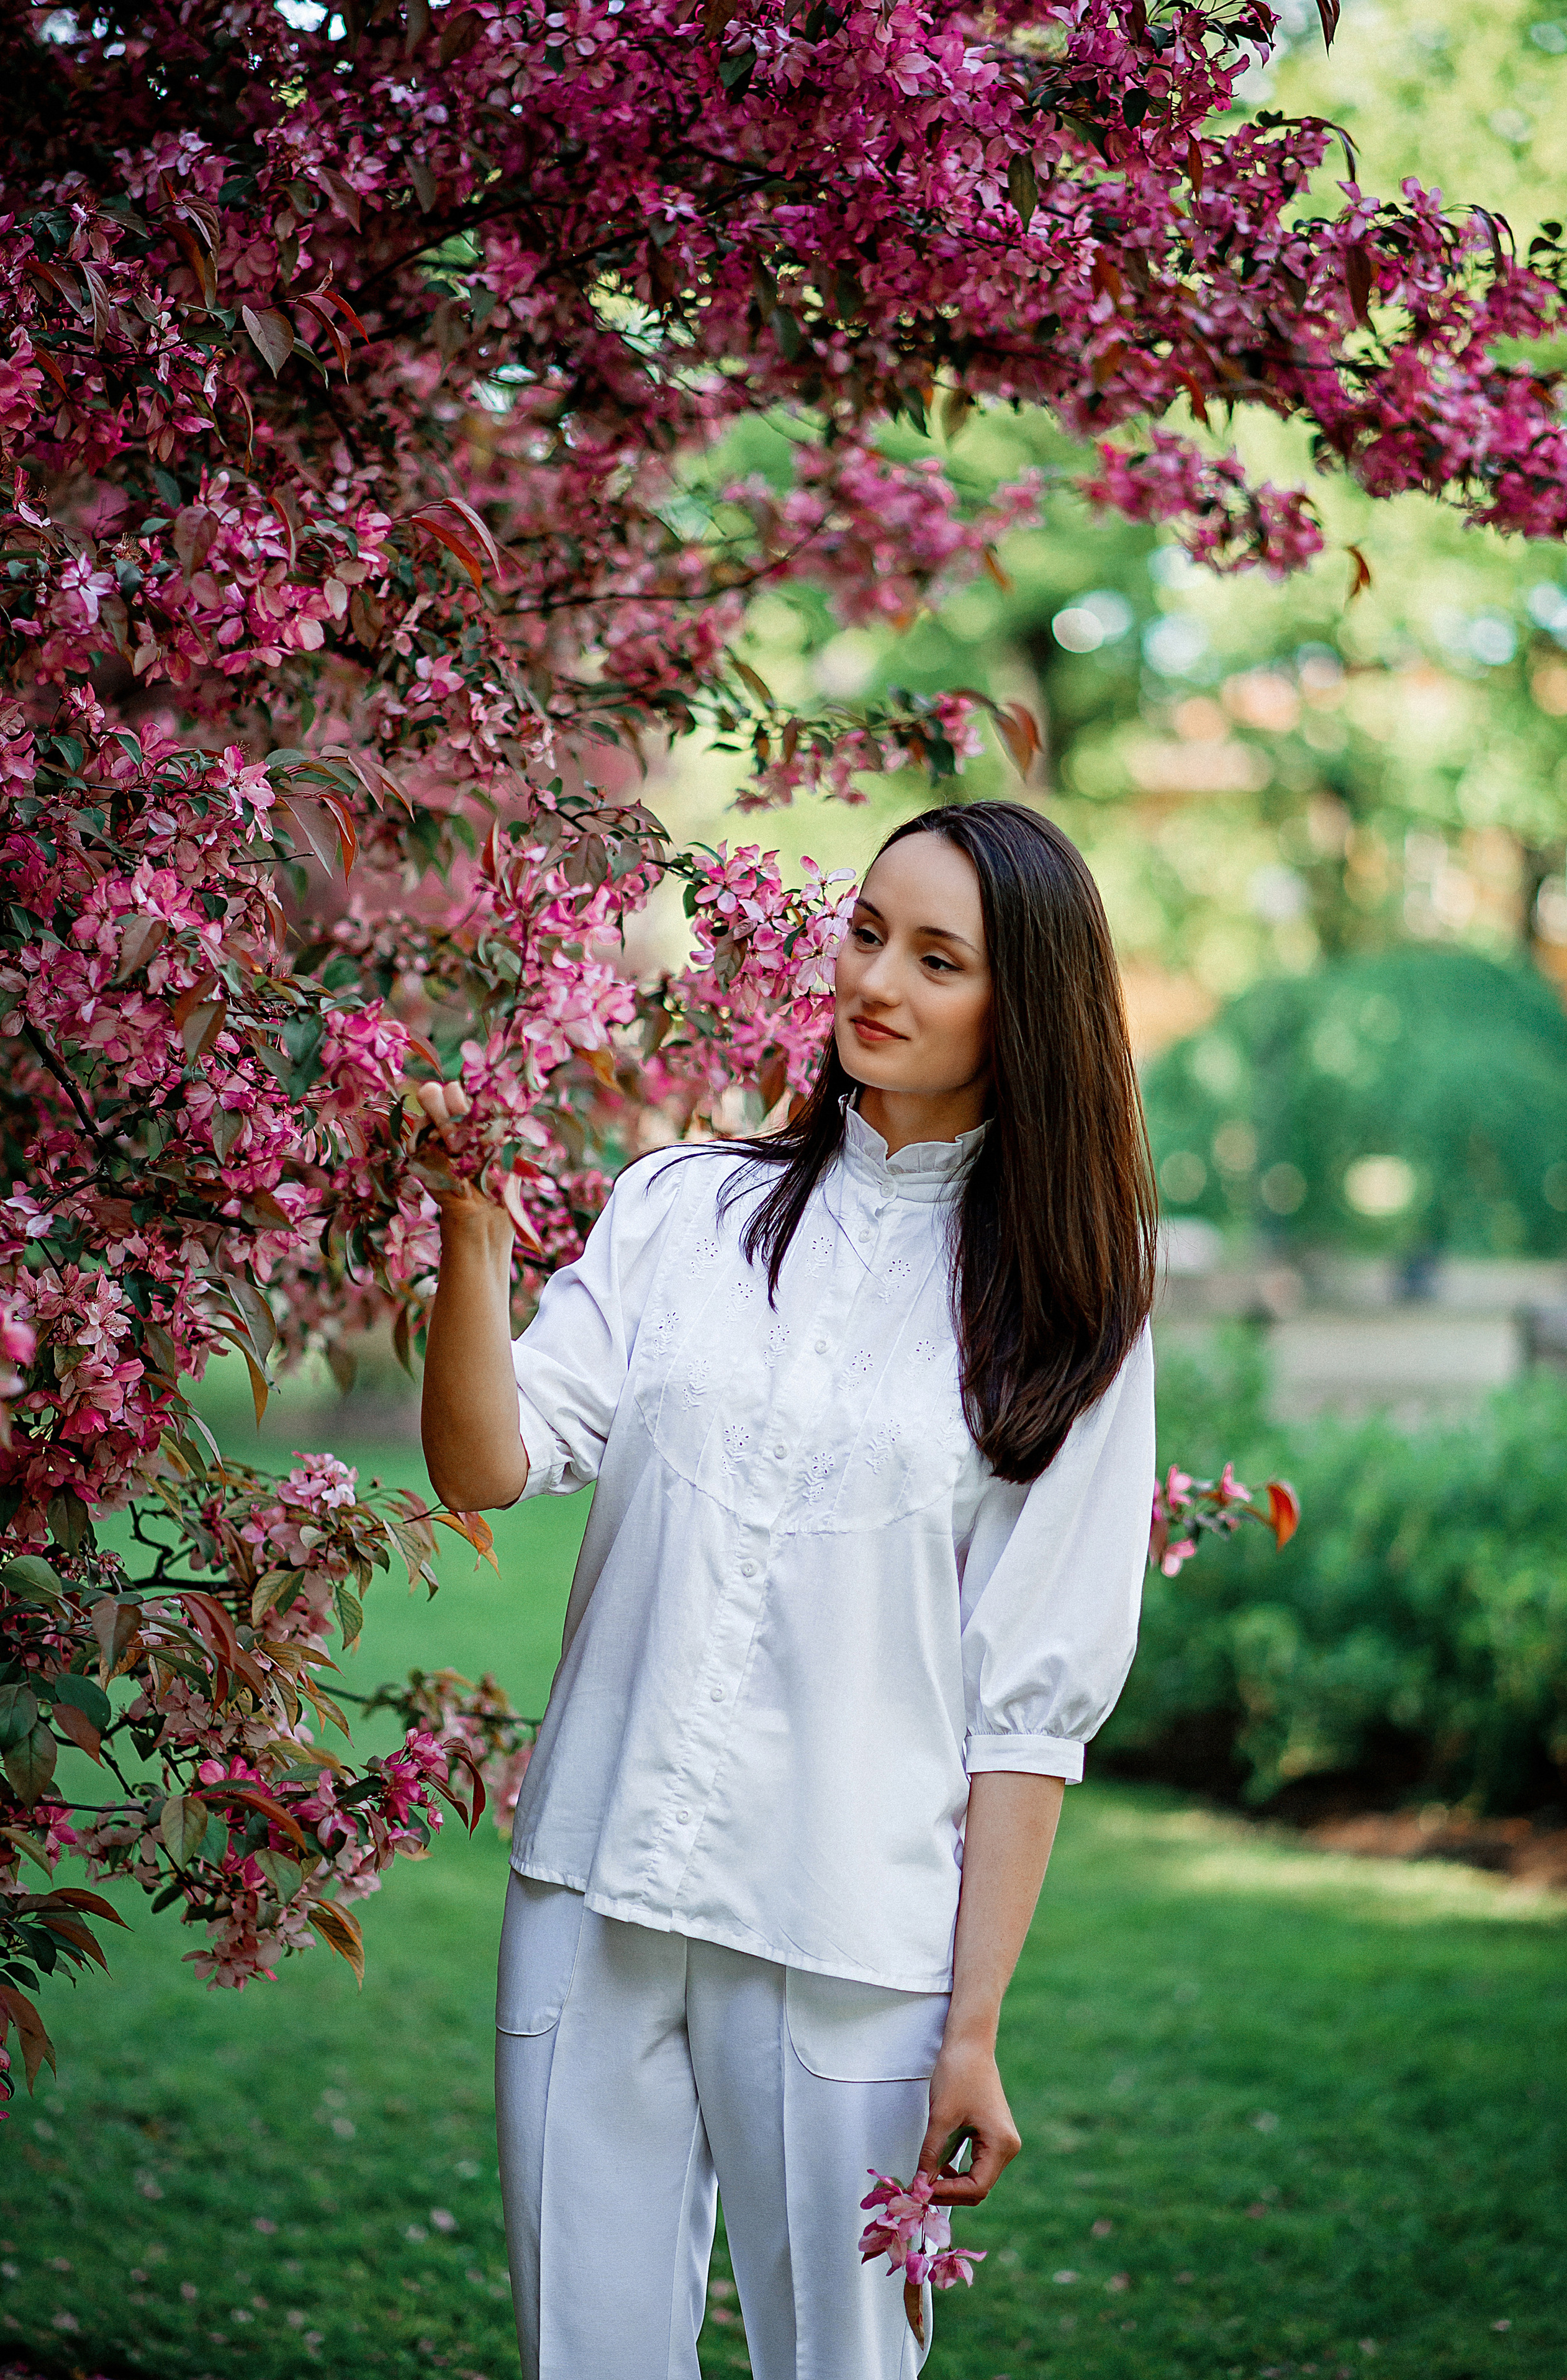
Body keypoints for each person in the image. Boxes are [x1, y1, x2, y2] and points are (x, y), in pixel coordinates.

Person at [417, 800, 1158, 2380]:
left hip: (849, 1946)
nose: (874, 979)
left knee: (839, 2363)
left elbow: (1029, 1703)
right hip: (589, 1888)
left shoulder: (1069, 1310)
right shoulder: (683, 1206)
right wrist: (465, 1237)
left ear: (1018, 1007)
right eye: (866, 930)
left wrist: (970, 2034)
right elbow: (485, 1464)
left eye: (936, 958)